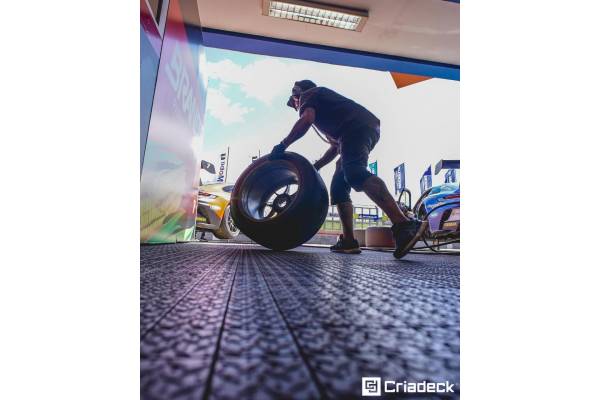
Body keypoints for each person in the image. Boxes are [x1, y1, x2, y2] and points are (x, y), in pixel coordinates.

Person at [270, 80, 426, 259]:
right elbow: (336, 148)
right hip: (355, 132)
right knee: (338, 185)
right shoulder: (326, 110)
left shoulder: (309, 94)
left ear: (297, 94)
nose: (296, 107)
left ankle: (404, 224)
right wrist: (317, 166)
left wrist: (283, 145)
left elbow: (306, 120)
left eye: (294, 102)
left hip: (355, 129)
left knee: (354, 172)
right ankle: (349, 241)